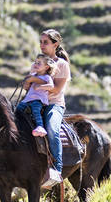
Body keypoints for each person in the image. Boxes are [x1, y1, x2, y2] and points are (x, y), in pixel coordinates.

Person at [40, 29, 71, 188]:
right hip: (37, 103)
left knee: (52, 129)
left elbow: (57, 89)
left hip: (54, 105)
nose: (42, 45)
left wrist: (37, 87)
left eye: (45, 42)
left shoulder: (62, 64)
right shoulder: (39, 62)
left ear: (55, 44)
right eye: (41, 42)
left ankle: (57, 170)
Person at [16, 54, 56, 137]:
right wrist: (26, 82)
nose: (36, 64)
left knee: (36, 110)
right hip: (27, 99)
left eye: (39, 63)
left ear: (46, 67)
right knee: (18, 109)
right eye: (35, 62)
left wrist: (40, 86)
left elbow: (51, 86)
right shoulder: (33, 75)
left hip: (38, 99)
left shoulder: (47, 77)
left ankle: (40, 127)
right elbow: (26, 87)